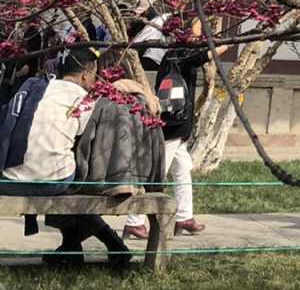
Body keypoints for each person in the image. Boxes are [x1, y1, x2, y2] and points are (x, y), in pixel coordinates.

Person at [0, 43, 158, 268]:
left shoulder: (34, 89)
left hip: (10, 180)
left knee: (65, 182)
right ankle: (96, 246)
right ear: (87, 74)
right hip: (53, 180)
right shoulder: (85, 100)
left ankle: (74, 250)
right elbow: (84, 139)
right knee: (71, 180)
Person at [123, 21, 223, 240]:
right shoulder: (180, 54)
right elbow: (207, 54)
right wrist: (234, 41)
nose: (202, 33)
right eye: (197, 29)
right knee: (158, 172)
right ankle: (134, 221)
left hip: (178, 125)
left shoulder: (175, 54)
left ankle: (184, 217)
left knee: (182, 168)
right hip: (173, 126)